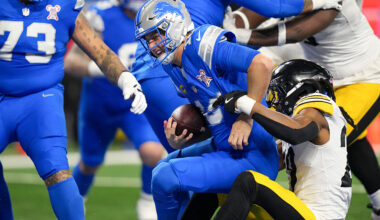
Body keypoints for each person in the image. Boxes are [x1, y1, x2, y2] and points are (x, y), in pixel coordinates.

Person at [223, 1, 380, 218]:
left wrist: (238, 36)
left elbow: (295, 31)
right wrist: (233, 22)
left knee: (322, 136)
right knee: (338, 138)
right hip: (326, 77)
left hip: (366, 75)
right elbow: (259, 10)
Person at [134, 0, 284, 219]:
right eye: (147, 40)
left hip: (252, 153)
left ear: (174, 26)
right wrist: (182, 137)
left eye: (156, 36)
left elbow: (262, 64)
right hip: (225, 146)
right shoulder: (171, 65)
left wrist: (246, 118)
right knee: (165, 163)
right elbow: (214, 114)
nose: (153, 46)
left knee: (164, 177)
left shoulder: (203, 43)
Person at [0, 0, 146, 219]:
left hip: (40, 99)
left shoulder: (65, 5)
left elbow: (100, 51)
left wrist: (124, 77)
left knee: (57, 170)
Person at [212, 59, 352, 220]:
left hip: (318, 216)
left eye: (278, 92)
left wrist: (245, 103)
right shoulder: (301, 131)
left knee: (249, 182)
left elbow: (295, 132)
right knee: (217, 185)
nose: (274, 100)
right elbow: (264, 160)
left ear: (301, 90)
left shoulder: (317, 108)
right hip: (300, 212)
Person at [64, 1, 164, 219]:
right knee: (90, 162)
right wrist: (105, 69)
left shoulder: (157, 16)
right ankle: (74, 202)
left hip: (134, 104)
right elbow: (71, 62)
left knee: (153, 153)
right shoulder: (100, 13)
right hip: (100, 104)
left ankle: (147, 201)